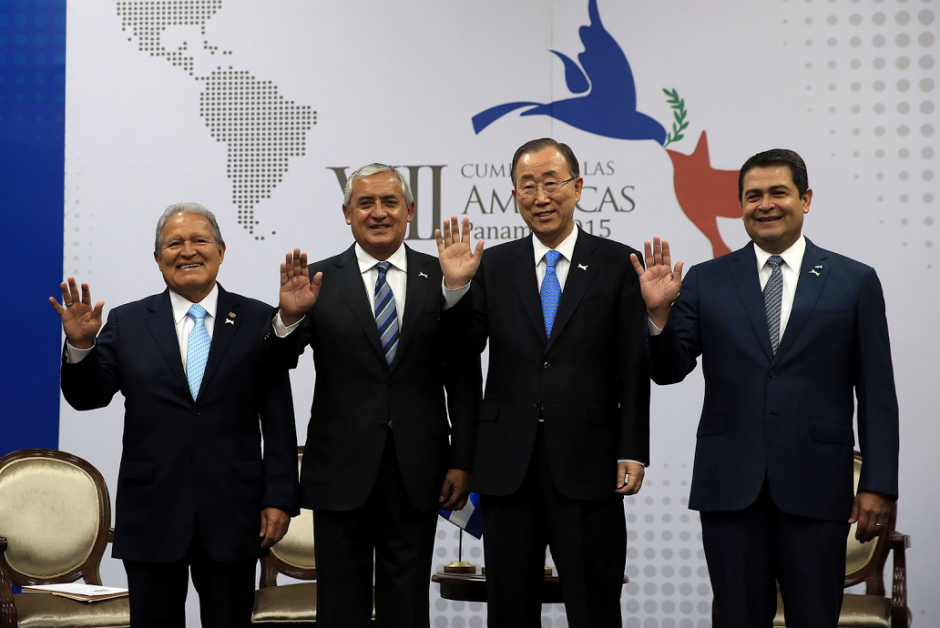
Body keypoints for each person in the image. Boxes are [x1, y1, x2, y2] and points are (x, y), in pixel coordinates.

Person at [631, 148, 900, 628]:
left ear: (806, 199)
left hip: (817, 487)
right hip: (730, 488)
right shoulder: (706, 279)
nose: (765, 204)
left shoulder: (853, 281)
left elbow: (877, 392)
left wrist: (878, 484)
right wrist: (657, 318)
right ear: (740, 205)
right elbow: (669, 369)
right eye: (752, 195)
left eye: (779, 192)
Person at [51, 203, 299, 628]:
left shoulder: (260, 318)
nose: (188, 251)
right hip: (153, 512)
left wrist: (279, 497)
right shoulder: (127, 322)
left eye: (200, 241)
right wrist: (80, 348)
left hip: (234, 512)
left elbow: (278, 418)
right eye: (174, 243)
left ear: (221, 250)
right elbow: (88, 397)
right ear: (157, 258)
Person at [436, 137, 650, 628]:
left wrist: (632, 449)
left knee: (595, 605)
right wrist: (454, 290)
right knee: (509, 609)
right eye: (527, 185)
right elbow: (461, 352)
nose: (540, 196)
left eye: (551, 182)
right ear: (514, 196)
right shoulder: (491, 265)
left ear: (577, 188)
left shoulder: (620, 264)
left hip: (589, 462)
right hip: (507, 466)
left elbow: (634, 366)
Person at [269, 164, 479, 628]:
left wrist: (462, 459)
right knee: (340, 608)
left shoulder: (443, 275)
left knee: (406, 608)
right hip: (340, 472)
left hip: (419, 470)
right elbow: (273, 365)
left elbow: (464, 374)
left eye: (389, 203)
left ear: (410, 211)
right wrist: (286, 319)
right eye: (365, 203)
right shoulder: (317, 280)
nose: (378, 212)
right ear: (347, 213)